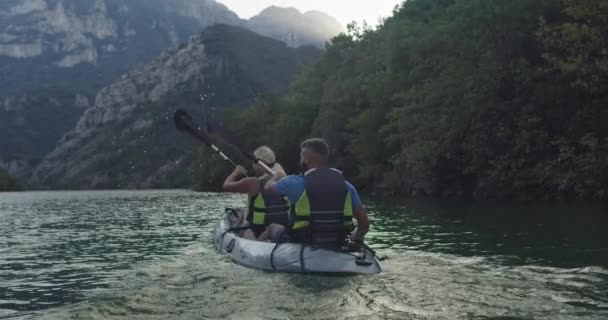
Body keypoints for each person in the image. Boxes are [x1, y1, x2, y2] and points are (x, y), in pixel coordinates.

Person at [262, 138, 369, 246]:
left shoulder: (292, 182)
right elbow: (364, 224)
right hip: (337, 242)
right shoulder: (346, 186)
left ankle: (253, 248)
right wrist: (356, 237)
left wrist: (276, 175)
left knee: (272, 228)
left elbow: (268, 188)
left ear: (307, 159)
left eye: (301, 157)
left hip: (302, 241)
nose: (301, 160)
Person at [222, 146, 289, 240]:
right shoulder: (284, 179)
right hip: (281, 227)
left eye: (254, 162)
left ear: (259, 164)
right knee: (243, 215)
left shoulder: (252, 182)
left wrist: (235, 172)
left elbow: (226, 186)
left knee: (244, 224)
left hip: (257, 230)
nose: (252, 165)